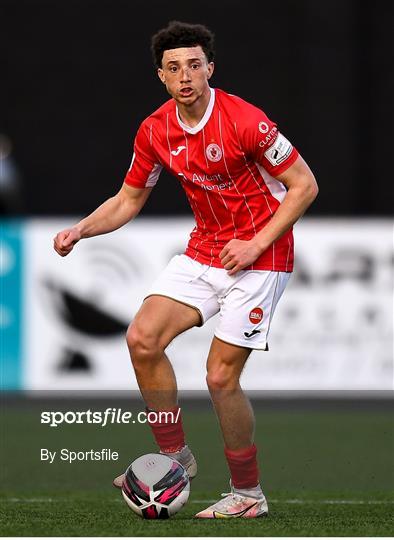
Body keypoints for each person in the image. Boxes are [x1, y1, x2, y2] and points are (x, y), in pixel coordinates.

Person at [54, 21, 318, 518]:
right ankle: (175, 457)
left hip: (263, 254)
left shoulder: (246, 121)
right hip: (205, 250)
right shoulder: (155, 130)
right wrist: (81, 229)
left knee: (220, 377)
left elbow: (304, 185)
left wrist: (256, 242)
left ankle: (247, 495)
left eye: (194, 65)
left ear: (210, 68)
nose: (186, 76)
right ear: (161, 76)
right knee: (142, 339)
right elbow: (129, 198)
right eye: (174, 68)